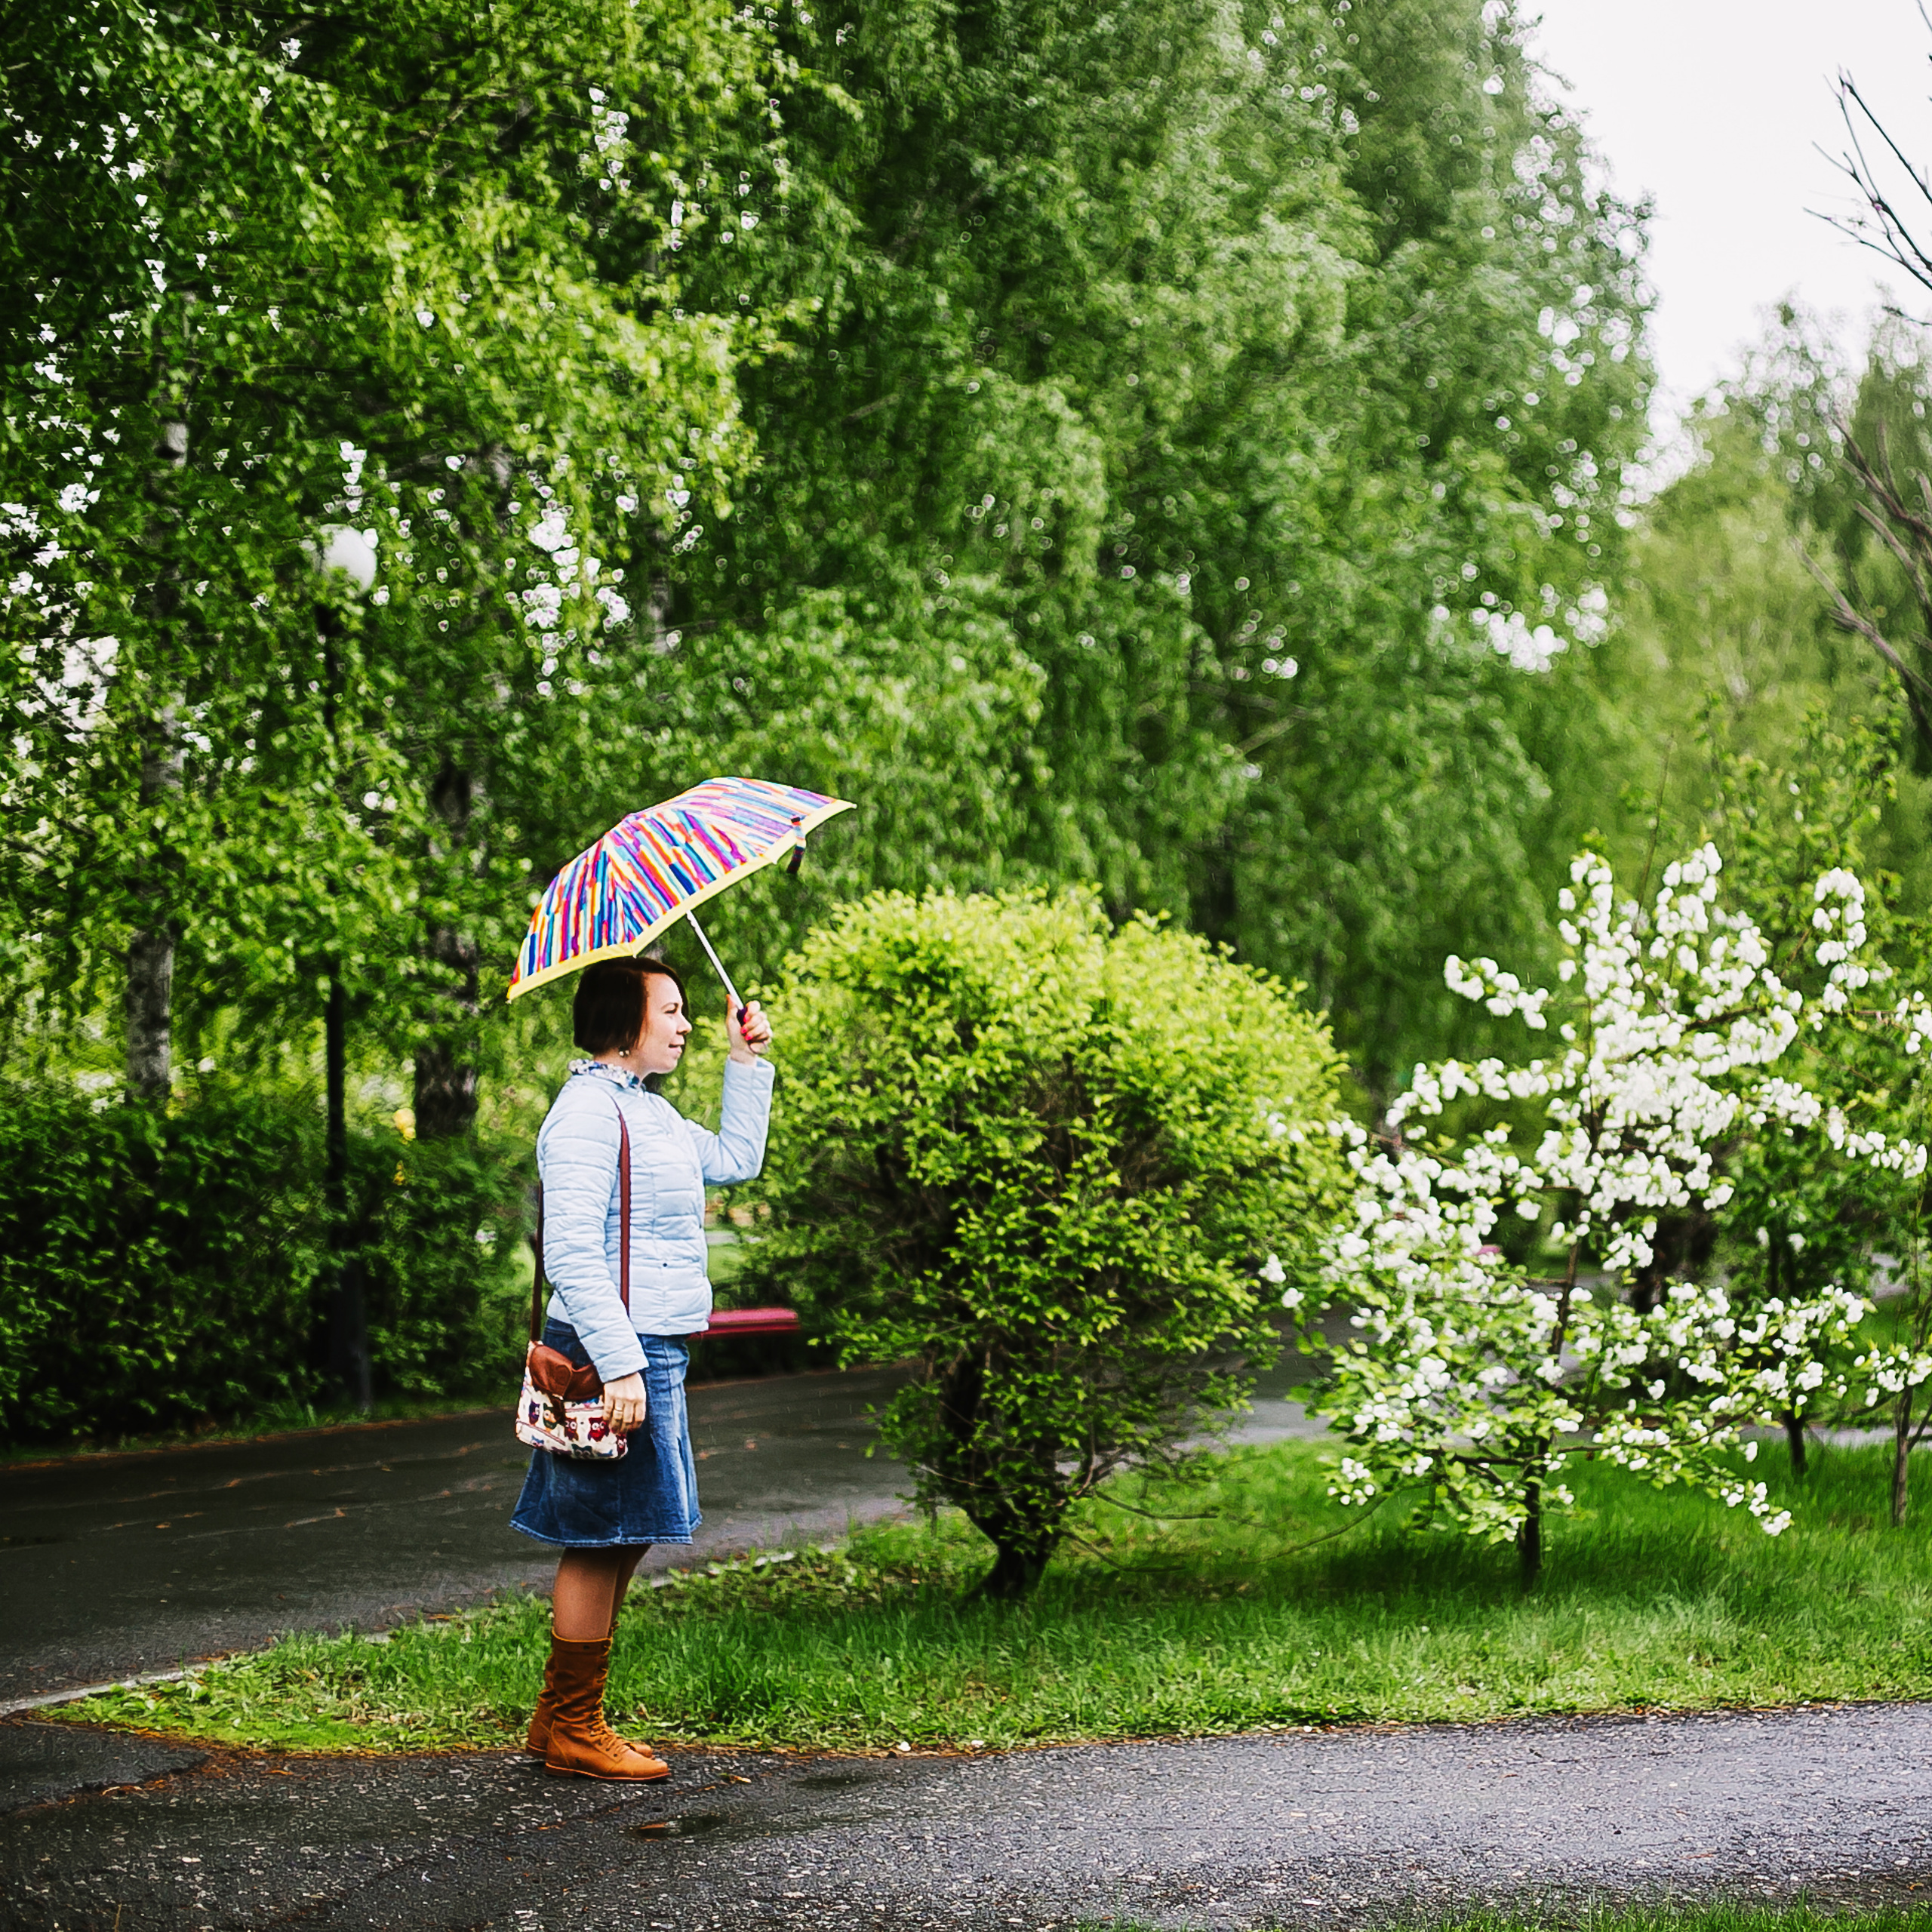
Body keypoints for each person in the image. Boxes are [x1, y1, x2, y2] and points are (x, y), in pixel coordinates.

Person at [511, 955, 774, 1780]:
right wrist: (621, 1365)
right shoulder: (585, 1112)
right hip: (608, 1353)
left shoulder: (647, 1112)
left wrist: (746, 1061)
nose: (686, 1022)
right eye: (671, 1009)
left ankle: (560, 1717)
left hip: (649, 1347)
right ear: (625, 1021)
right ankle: (576, 1727)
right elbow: (572, 1256)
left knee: (626, 1535)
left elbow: (736, 1158)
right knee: (599, 1537)